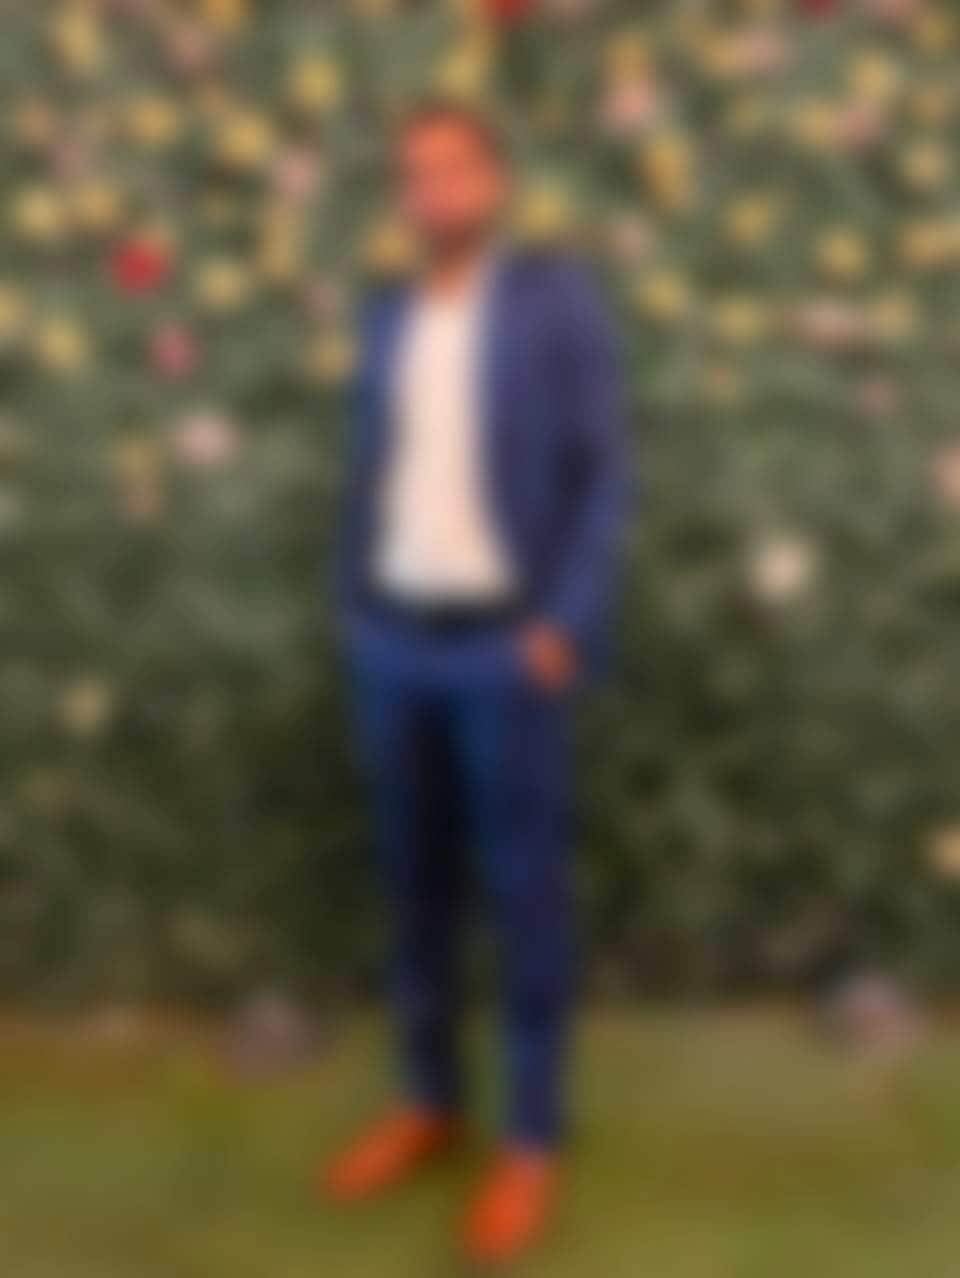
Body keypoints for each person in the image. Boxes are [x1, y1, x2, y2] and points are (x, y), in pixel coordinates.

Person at [321, 98, 626, 1266]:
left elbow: (605, 473)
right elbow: (374, 467)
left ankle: (531, 1136)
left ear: (494, 183)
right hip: (395, 642)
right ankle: (431, 1101)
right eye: (416, 173)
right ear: (403, 196)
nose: (435, 190)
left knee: (523, 896)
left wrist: (564, 625)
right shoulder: (387, 312)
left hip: (507, 650)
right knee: (414, 891)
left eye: (455, 169)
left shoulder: (557, 302)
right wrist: (355, 610)